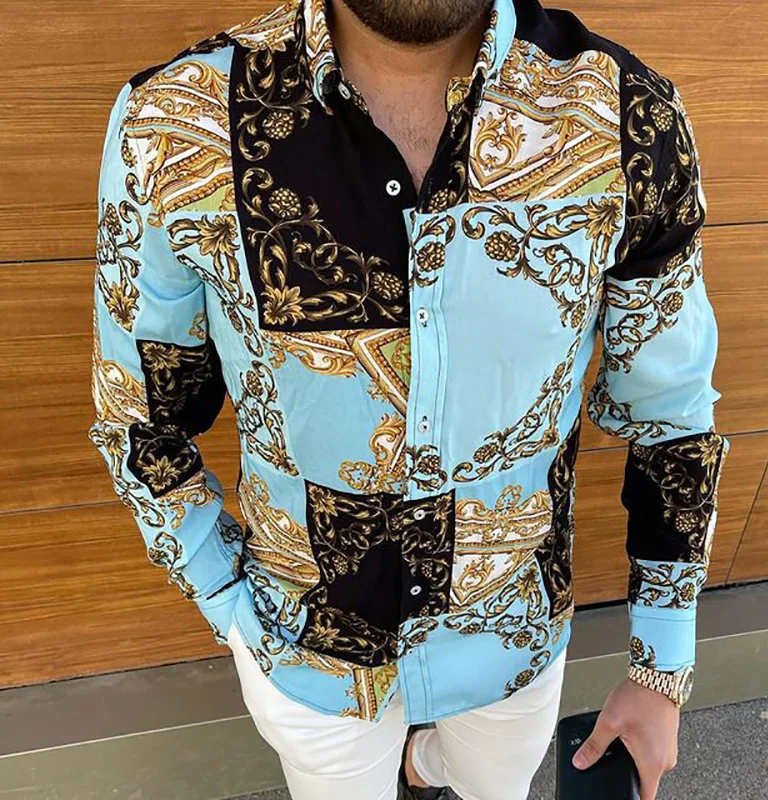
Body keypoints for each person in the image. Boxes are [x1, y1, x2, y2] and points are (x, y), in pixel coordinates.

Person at [88, 0, 729, 798]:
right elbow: (139, 419)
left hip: (512, 638)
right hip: (307, 651)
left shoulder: (627, 120)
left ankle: (421, 764)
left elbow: (670, 415)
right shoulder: (177, 122)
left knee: (491, 784)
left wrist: (661, 661)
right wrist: (227, 600)